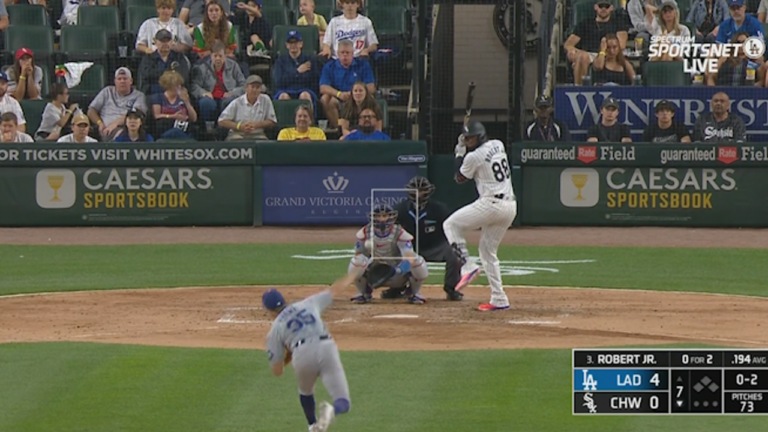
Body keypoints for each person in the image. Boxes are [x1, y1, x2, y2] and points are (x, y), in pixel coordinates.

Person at [262, 273, 354, 432]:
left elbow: (277, 371)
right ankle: (332, 410)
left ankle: (312, 425)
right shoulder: (308, 303)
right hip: (326, 346)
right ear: (284, 299)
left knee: (305, 392)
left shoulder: (275, 330)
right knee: (343, 402)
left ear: (268, 309)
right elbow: (335, 290)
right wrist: (354, 274)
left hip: (301, 353)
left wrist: (288, 356)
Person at [443, 121, 517, 311]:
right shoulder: (498, 144)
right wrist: (465, 144)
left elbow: (459, 179)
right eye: (467, 138)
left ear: (481, 136)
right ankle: (499, 297)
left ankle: (467, 265)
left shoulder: (473, 157)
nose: (469, 141)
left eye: (472, 138)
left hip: (491, 204)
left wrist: (459, 152)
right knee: (488, 252)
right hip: (510, 206)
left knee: (450, 225)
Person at [388, 176, 464, 301]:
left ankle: (451, 288)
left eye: (422, 190)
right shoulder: (400, 210)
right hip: (409, 249)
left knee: (455, 253)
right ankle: (396, 287)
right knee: (389, 250)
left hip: (434, 246)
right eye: (415, 190)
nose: (419, 194)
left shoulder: (439, 209)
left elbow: (451, 229)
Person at [347, 204, 429, 304]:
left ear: (391, 217)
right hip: (374, 274)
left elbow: (409, 258)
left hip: (397, 273)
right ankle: (363, 292)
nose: (382, 219)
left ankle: (414, 293)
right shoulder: (365, 232)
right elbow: (358, 253)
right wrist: (370, 266)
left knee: (417, 261)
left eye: (385, 216)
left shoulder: (399, 233)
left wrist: (398, 270)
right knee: (357, 261)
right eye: (378, 216)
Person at [564, 0, 629, 85]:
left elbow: (621, 45)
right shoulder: (585, 23)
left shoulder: (618, 23)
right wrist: (572, 51)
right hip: (587, 54)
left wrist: (603, 52)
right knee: (582, 57)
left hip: (608, 54)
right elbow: (568, 44)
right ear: (595, 7)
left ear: (611, 8)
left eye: (606, 6)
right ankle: (579, 90)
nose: (603, 9)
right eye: (601, 6)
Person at [319, 40, 376, 128]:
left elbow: (371, 87)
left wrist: (355, 93)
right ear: (337, 53)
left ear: (353, 53)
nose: (345, 55)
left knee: (370, 97)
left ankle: (364, 128)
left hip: (357, 98)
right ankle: (338, 129)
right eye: (342, 52)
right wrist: (339, 94)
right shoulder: (329, 66)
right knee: (325, 98)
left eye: (347, 53)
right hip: (338, 99)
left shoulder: (363, 65)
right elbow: (323, 87)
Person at [191, 41, 245, 131]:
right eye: (215, 56)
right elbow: (194, 86)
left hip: (227, 97)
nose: (217, 59)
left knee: (229, 102)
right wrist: (203, 93)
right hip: (210, 97)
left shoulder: (233, 66)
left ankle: (225, 128)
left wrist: (233, 92)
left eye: (220, 56)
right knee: (206, 103)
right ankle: (208, 129)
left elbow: (243, 85)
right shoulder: (203, 67)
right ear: (211, 56)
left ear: (225, 56)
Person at [88, 67, 148, 141]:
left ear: (131, 81)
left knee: (121, 134)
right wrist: (100, 123)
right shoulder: (107, 91)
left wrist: (114, 124)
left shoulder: (139, 95)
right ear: (115, 81)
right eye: (119, 79)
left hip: (126, 128)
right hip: (105, 129)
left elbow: (137, 112)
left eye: (125, 78)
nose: (122, 81)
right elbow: (91, 110)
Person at [217, 74, 276, 140]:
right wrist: (239, 126)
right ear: (246, 88)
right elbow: (221, 121)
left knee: (263, 142)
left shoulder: (266, 99)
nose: (255, 90)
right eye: (252, 87)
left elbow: (272, 121)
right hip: (237, 133)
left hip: (258, 134)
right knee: (237, 140)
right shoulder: (237, 102)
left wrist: (257, 125)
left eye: (257, 87)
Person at [138, 29, 192, 97]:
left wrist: (162, 75)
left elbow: (183, 75)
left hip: (175, 91)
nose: (165, 44)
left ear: (172, 42)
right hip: (153, 93)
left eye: (167, 41)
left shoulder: (179, 57)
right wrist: (170, 75)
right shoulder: (148, 58)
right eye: (162, 41)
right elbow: (147, 75)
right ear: (155, 42)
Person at [273, 30, 319, 107]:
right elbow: (279, 81)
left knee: (305, 95)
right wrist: (297, 72)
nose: (293, 45)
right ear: (286, 45)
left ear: (301, 44)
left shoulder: (310, 60)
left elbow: (313, 79)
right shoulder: (280, 61)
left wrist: (290, 77)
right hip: (286, 90)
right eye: (290, 43)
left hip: (305, 89)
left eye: (296, 42)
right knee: (283, 96)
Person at [152, 70, 197, 139]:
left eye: (180, 84)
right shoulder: (158, 97)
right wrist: (173, 116)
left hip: (184, 128)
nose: (179, 87)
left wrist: (187, 102)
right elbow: (157, 116)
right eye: (176, 85)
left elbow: (194, 118)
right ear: (168, 86)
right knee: (175, 132)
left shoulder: (183, 98)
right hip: (166, 129)